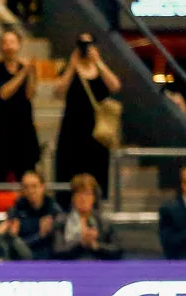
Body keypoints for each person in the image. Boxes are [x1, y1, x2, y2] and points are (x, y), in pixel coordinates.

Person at [54, 32, 120, 192]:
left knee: (97, 172)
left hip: (97, 130)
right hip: (72, 129)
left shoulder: (100, 68)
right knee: (70, 171)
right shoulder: (69, 69)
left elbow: (115, 86)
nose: (85, 49)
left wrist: (98, 61)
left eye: (89, 45)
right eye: (82, 45)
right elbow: (58, 91)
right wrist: (72, 65)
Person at [0, 29, 38, 183]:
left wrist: (32, 73)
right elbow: (3, 93)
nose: (9, 46)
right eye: (5, 43)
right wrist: (23, 73)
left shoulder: (25, 67)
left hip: (24, 128)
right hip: (3, 128)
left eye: (12, 42)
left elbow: (30, 95)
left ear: (19, 45)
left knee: (27, 174)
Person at [53, 173, 121, 260]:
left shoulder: (103, 222)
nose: (83, 198)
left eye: (87, 194)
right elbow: (57, 251)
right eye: (79, 194)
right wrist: (81, 243)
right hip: (69, 269)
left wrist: (96, 245)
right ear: (73, 198)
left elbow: (117, 250)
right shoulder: (61, 221)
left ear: (94, 198)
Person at [8, 170, 60, 259]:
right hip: (22, 259)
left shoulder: (53, 210)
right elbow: (13, 245)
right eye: (26, 187)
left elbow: (58, 245)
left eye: (34, 186)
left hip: (48, 261)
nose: (30, 191)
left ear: (43, 187)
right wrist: (40, 235)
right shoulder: (16, 210)